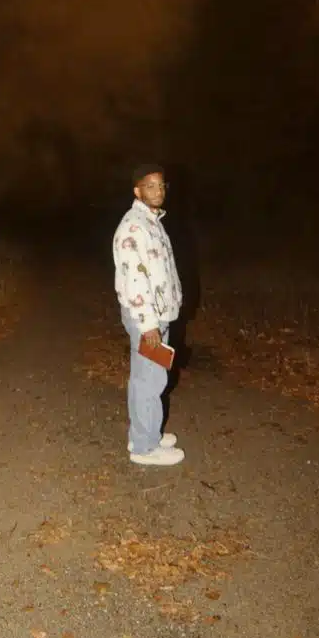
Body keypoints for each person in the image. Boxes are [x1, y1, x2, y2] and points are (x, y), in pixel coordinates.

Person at [113, 164, 185, 466]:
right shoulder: (134, 228)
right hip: (147, 318)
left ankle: (143, 432)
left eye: (161, 185)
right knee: (150, 381)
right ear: (137, 191)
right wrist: (149, 325)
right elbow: (135, 280)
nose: (158, 191)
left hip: (157, 314)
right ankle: (145, 447)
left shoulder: (152, 222)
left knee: (146, 377)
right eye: (150, 186)